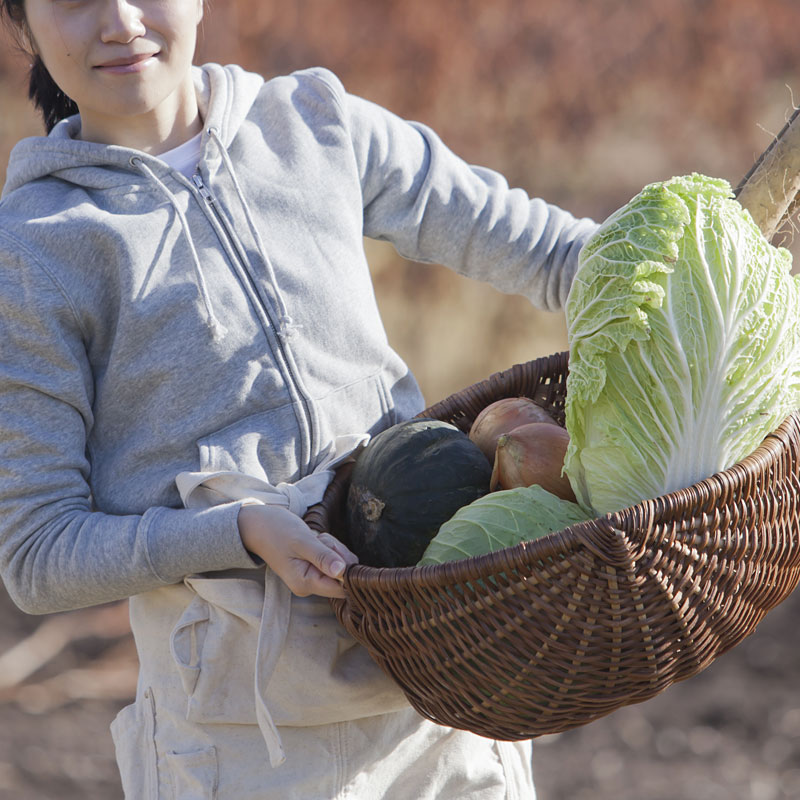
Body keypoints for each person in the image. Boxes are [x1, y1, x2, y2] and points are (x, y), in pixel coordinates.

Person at [0, 1, 598, 797]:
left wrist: (712, 285)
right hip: (241, 744)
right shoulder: (34, 249)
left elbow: (561, 255)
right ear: (20, 24)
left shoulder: (314, 122)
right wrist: (238, 531)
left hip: (445, 697)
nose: (120, 20)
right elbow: (37, 554)